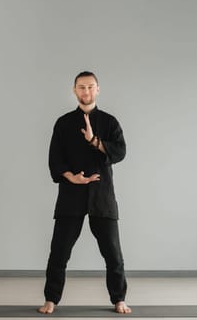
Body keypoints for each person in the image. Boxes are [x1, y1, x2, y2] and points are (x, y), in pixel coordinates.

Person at [38, 71, 131, 314]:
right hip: (71, 194)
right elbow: (54, 159)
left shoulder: (110, 122)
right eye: (81, 87)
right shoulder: (63, 123)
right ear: (74, 90)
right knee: (59, 251)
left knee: (113, 253)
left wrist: (95, 141)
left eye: (90, 87)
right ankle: (51, 299)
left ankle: (119, 299)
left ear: (98, 89)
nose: (86, 92)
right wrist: (71, 178)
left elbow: (120, 152)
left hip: (102, 195)